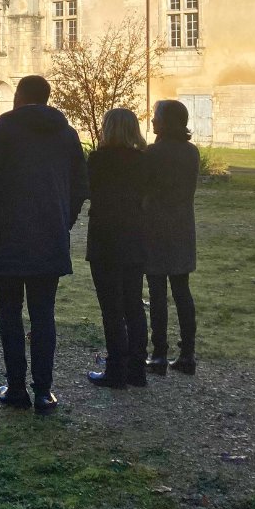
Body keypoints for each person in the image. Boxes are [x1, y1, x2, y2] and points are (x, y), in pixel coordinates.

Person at [0, 74, 88, 414]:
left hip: (6, 234)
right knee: (43, 313)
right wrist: (64, 219)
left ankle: (17, 387)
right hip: (49, 233)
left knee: (9, 311)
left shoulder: (4, 131)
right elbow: (81, 185)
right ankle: (44, 390)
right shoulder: (66, 134)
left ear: (19, 97)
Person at [85, 108, 149, 389]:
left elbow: (88, 190)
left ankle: (116, 371)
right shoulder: (142, 162)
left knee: (111, 307)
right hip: (135, 234)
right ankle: (137, 369)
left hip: (105, 237)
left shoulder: (99, 160)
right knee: (133, 303)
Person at [144, 99, 200, 376]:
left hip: (155, 229)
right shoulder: (192, 153)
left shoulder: (153, 153)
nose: (153, 121)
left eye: (156, 117)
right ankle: (188, 353)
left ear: (166, 122)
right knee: (182, 292)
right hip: (182, 229)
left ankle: (159, 354)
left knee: (157, 294)